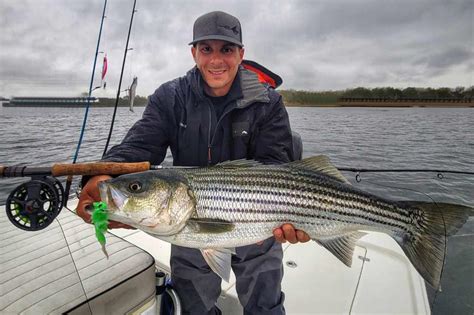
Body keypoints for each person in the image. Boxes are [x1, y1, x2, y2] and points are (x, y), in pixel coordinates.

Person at [77, 11, 310, 315]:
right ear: (194, 53)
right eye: (206, 49)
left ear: (241, 53)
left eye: (226, 49)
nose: (216, 60)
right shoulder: (171, 97)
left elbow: (276, 165)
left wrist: (298, 218)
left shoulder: (268, 102)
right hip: (188, 226)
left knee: (265, 306)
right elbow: (138, 146)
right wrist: (98, 177)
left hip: (260, 223)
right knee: (195, 308)